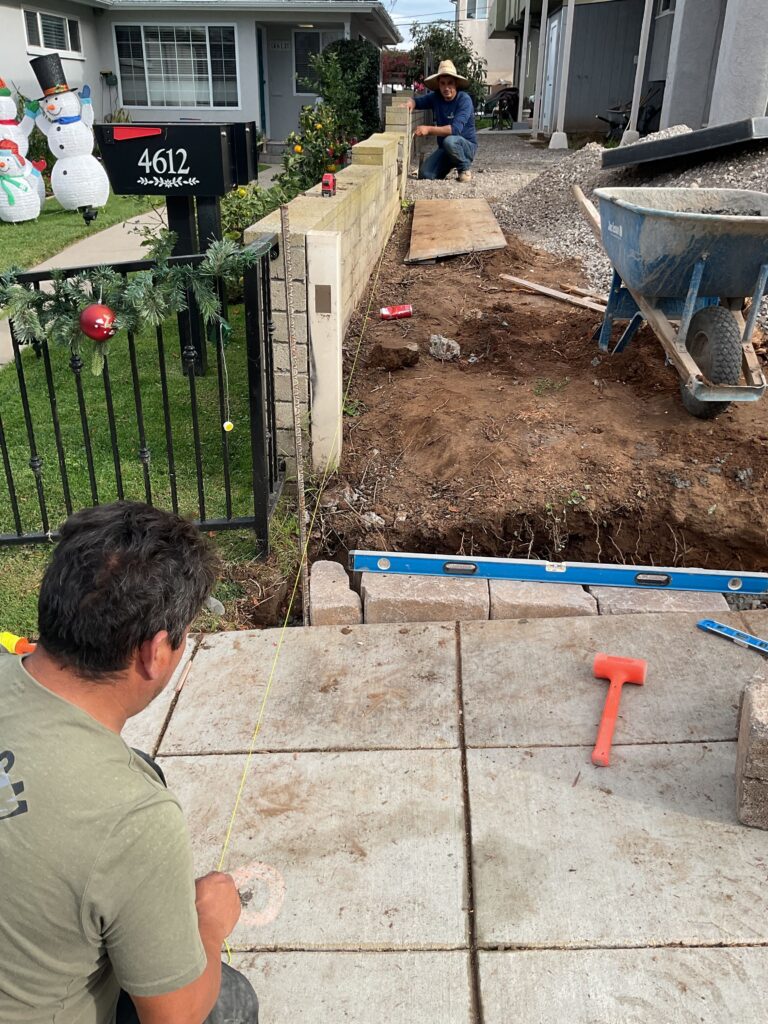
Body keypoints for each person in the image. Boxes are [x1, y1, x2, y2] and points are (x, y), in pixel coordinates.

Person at [0, 501, 260, 1024]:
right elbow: (175, 1016)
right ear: (155, 652)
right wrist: (209, 923)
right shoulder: (134, 820)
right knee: (226, 1004)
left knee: (140, 763)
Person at [406, 59, 478, 182]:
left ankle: (464, 168)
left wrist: (428, 129)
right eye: (442, 83)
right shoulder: (436, 97)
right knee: (425, 174)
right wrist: (410, 102)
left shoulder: (464, 100)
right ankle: (448, 165)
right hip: (445, 148)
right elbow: (418, 101)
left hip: (465, 146)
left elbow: (455, 130)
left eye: (450, 83)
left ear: (456, 84)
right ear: (438, 85)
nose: (446, 88)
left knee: (450, 141)